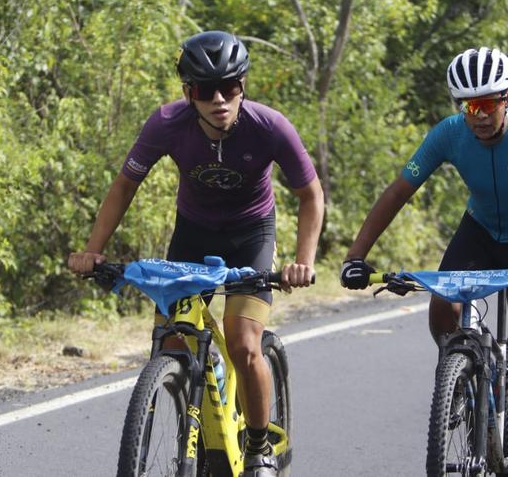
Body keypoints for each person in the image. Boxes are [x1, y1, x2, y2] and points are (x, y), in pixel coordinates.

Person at [68, 30, 324, 477]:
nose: (221, 100)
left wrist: (303, 260)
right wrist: (93, 251)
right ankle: (200, 423)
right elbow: (125, 185)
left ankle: (260, 447)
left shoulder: (269, 126)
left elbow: (310, 195)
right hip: (193, 233)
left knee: (244, 342)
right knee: (169, 342)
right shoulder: (166, 124)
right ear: (189, 92)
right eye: (207, 91)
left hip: (252, 234)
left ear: (244, 86)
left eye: (232, 87)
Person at [340, 47, 508, 477]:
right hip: (480, 231)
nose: (477, 115)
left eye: (486, 104)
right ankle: (462, 376)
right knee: (442, 304)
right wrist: (356, 256)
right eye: (468, 106)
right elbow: (398, 192)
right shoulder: (449, 134)